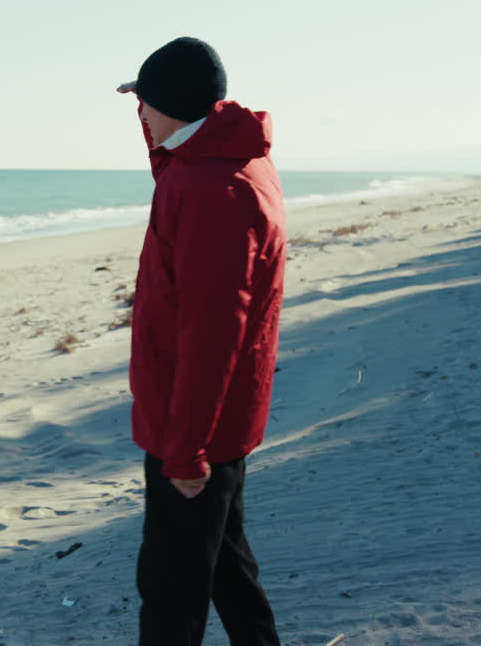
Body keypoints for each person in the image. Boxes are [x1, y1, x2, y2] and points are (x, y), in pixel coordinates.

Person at [116, 37, 285, 646]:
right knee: (224, 567)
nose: (139, 115)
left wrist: (186, 450)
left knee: (170, 591)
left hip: (192, 424)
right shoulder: (222, 160)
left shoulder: (213, 189)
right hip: (213, 417)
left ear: (176, 107)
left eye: (146, 104)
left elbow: (214, 331)